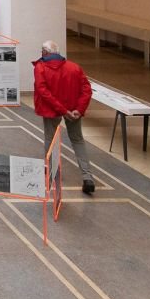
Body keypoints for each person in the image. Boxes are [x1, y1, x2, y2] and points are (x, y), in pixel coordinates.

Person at [31, 40, 95, 193]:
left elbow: (43, 92)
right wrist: (78, 110)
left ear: (45, 53)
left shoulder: (41, 68)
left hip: (52, 110)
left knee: (50, 140)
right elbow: (86, 89)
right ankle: (87, 177)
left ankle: (51, 173)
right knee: (78, 140)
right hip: (73, 110)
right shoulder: (74, 67)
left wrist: (62, 109)